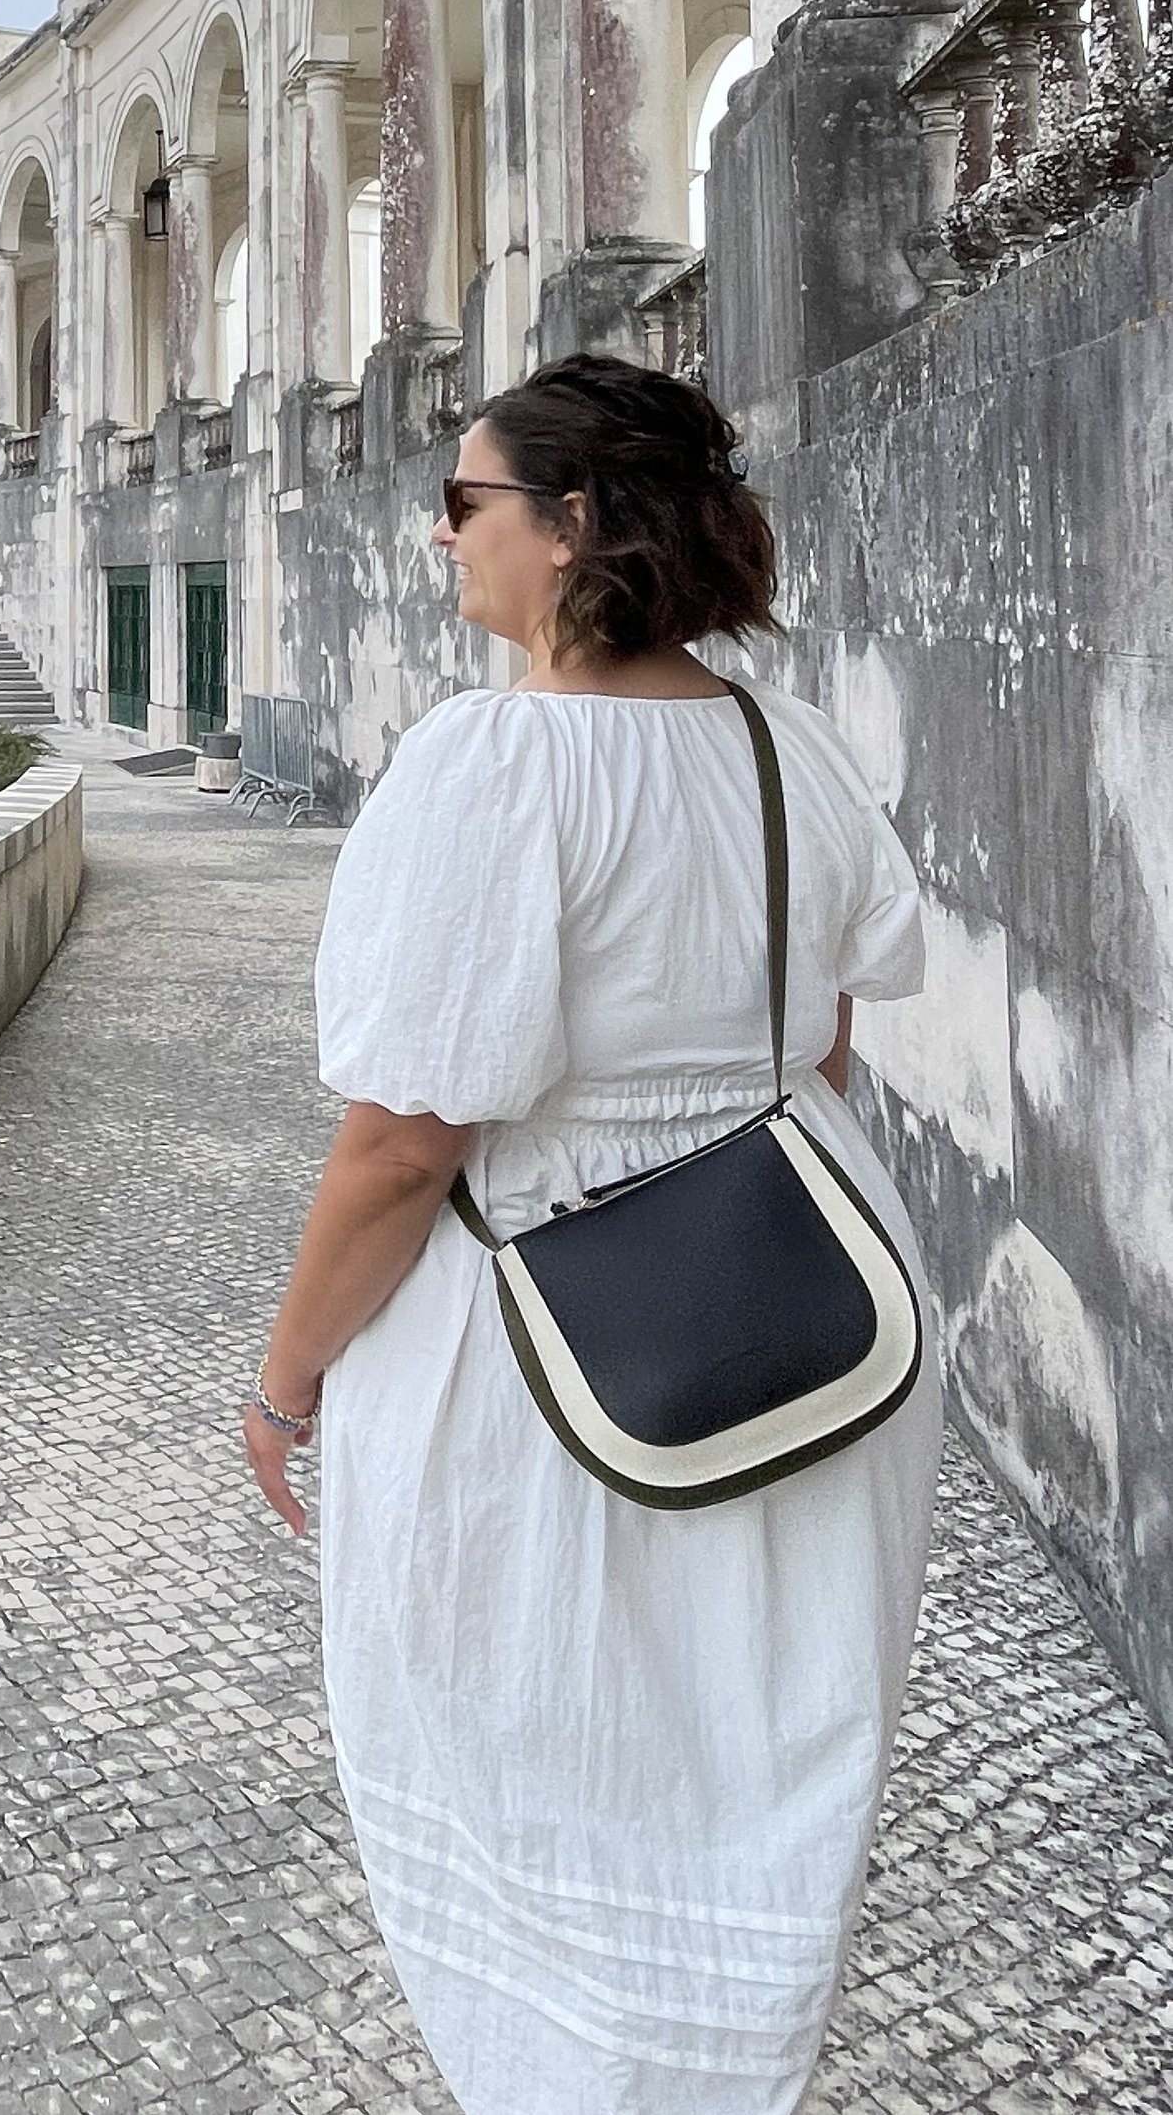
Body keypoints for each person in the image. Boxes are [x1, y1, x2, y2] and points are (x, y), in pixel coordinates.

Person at [243, 353, 938, 2115]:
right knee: (745, 1761)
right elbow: (827, 1030)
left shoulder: (495, 765)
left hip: (548, 1342)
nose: (441, 532)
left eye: (467, 501)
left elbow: (406, 1140)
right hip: (808, 1303)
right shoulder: (783, 746)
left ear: (570, 529)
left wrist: (286, 1379)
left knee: (552, 1754)